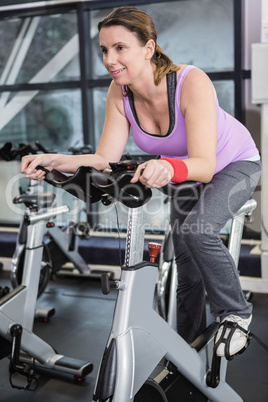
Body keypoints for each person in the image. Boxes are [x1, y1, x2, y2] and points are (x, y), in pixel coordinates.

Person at [21, 6, 261, 357]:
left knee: (199, 231)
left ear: (148, 49)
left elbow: (206, 166)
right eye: (104, 50)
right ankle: (187, 350)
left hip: (235, 164)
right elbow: (105, 158)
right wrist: (54, 159)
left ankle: (237, 314)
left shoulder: (190, 82)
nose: (109, 59)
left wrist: (164, 166)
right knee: (185, 261)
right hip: (181, 171)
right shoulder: (120, 93)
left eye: (120, 48)